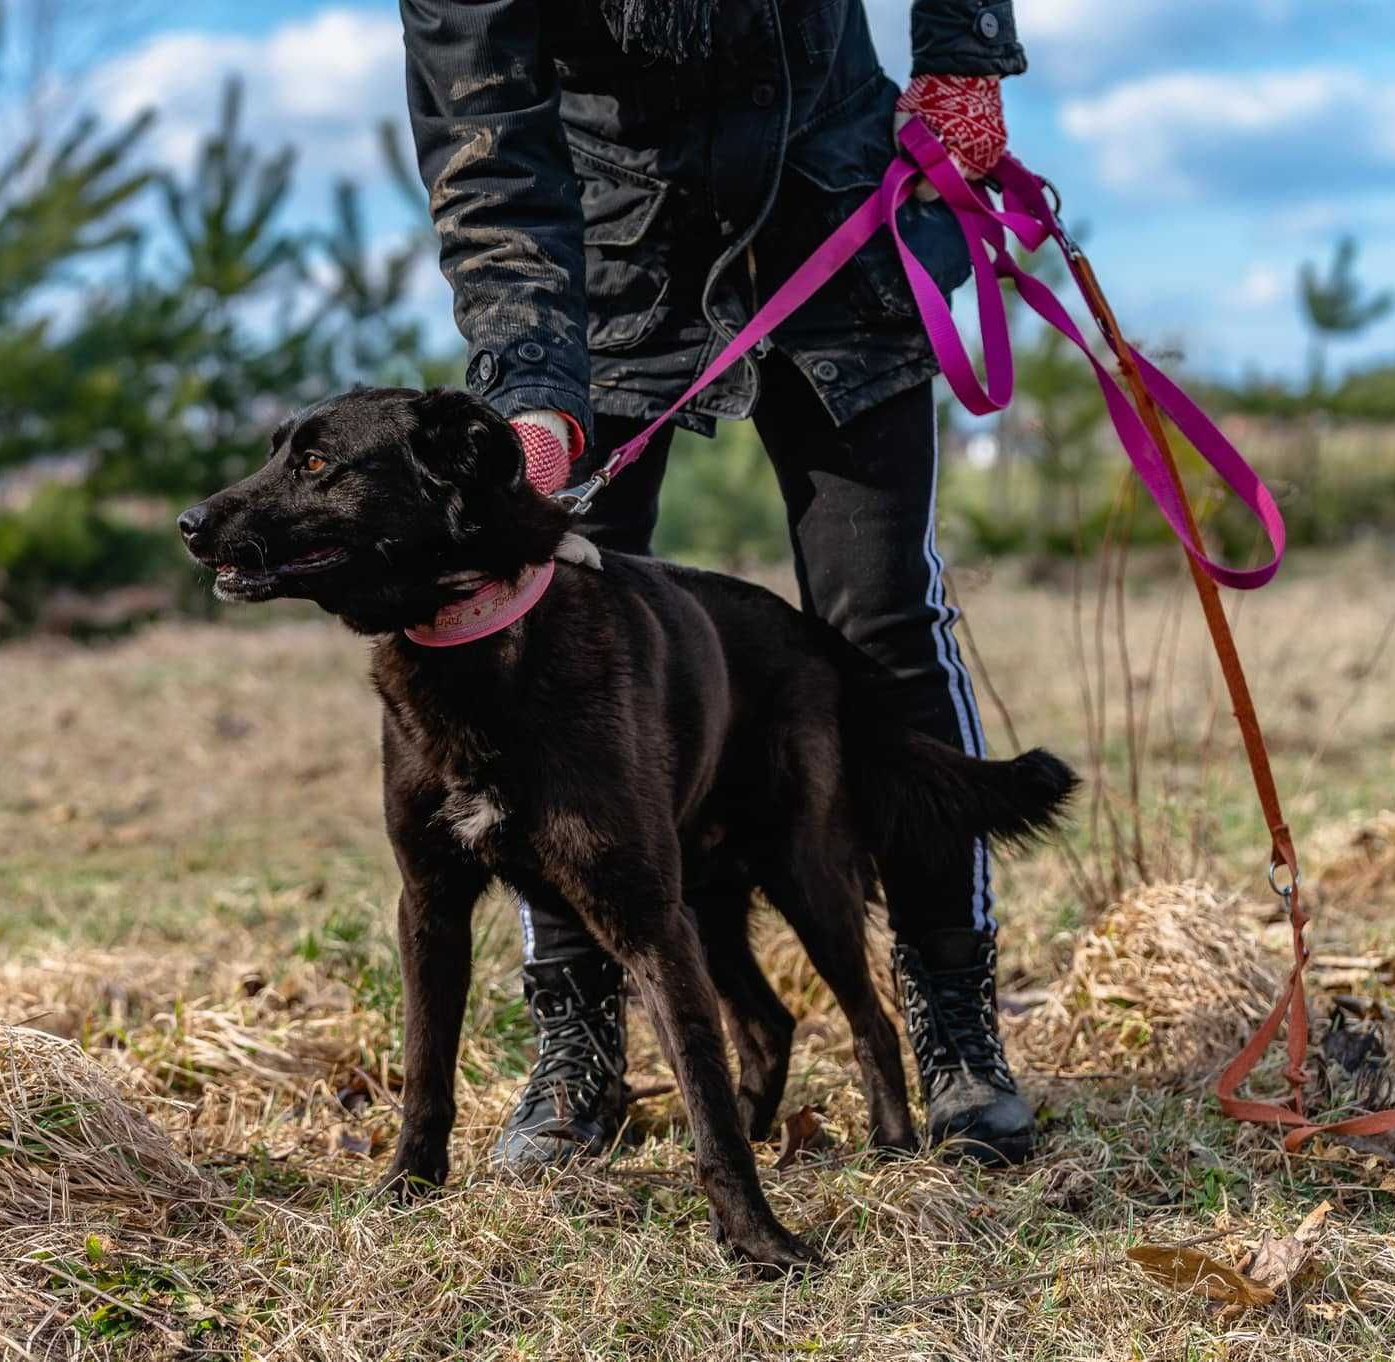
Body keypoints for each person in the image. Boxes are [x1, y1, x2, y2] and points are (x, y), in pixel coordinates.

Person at [399, 0, 1035, 1167]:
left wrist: (962, 57)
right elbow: (483, 148)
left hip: (837, 205)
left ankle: (953, 1029)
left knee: (883, 619)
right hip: (596, 263)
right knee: (544, 652)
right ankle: (578, 1044)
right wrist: (532, 384)